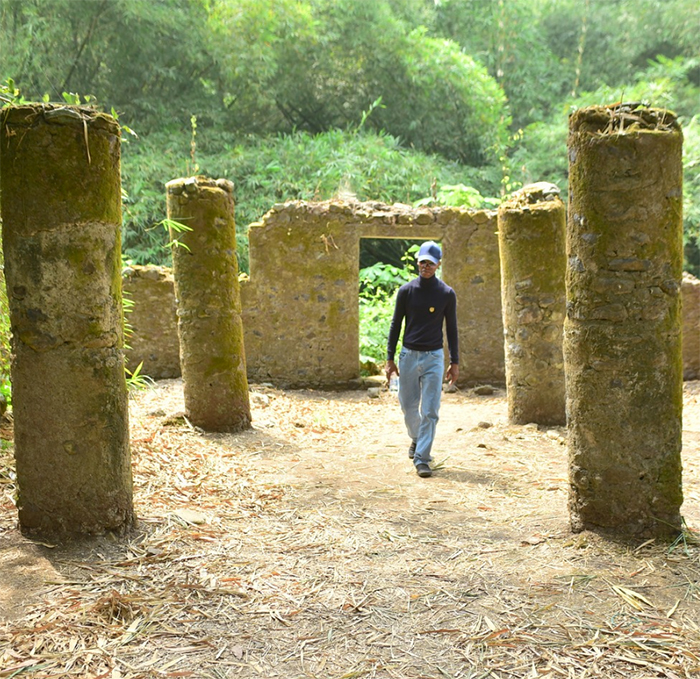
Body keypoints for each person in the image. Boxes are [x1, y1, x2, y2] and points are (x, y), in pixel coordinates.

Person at [385, 241, 459, 478]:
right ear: (417, 262)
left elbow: (452, 329)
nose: (425, 266)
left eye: (430, 262)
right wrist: (389, 359)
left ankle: (422, 458)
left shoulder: (446, 294)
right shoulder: (406, 291)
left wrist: (454, 361)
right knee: (408, 405)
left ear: (438, 264)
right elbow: (396, 324)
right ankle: (417, 439)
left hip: (434, 358)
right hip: (408, 356)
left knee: (430, 409)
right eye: (422, 261)